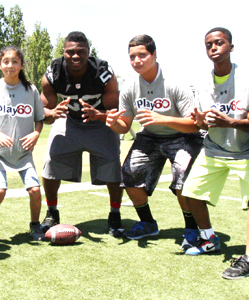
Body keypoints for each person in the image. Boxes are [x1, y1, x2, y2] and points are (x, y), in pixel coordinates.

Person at [106, 34, 203, 247]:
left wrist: (164, 119)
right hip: (150, 136)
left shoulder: (175, 83)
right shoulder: (130, 86)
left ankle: (191, 228)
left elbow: (194, 124)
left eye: (142, 55)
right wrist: (112, 123)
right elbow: (124, 125)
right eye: (132, 57)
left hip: (183, 135)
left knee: (181, 180)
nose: (136, 61)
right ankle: (148, 223)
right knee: (129, 175)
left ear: (155, 55)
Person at [40, 31, 124, 236]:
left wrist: (99, 114)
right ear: (63, 52)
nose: (75, 56)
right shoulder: (53, 72)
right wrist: (52, 112)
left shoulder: (103, 71)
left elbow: (114, 109)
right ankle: (51, 211)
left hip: (99, 122)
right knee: (51, 161)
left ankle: (115, 213)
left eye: (81, 52)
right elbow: (44, 114)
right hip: (69, 121)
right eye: (70, 52)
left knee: (113, 164)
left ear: (88, 52)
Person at [180, 28, 249, 277]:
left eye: (219, 43)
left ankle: (248, 259)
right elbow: (203, 123)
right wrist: (199, 121)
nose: (213, 48)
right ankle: (209, 239)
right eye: (208, 44)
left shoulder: (246, 78)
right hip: (215, 147)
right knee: (191, 193)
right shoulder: (203, 82)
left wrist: (230, 122)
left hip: (245, 150)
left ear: (231, 47)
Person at [0, 46, 46, 244]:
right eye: (6, 61)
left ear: (21, 65)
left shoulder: (30, 90)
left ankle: (35, 225)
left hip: (23, 154)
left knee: (35, 191)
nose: (10, 65)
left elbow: (40, 118)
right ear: (0, 65)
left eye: (15, 61)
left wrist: (36, 133)